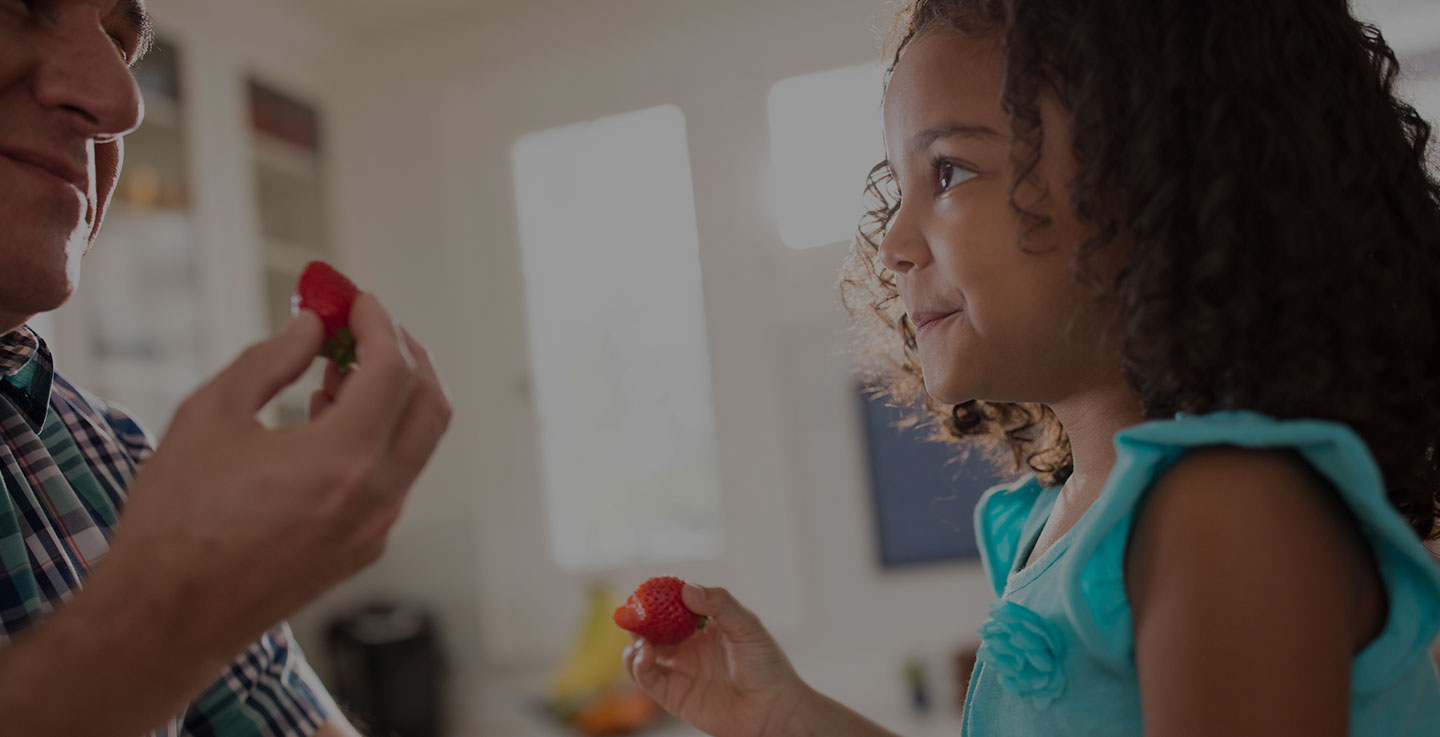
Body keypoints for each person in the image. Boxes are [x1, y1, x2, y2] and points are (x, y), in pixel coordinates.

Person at [624, 1, 1440, 735]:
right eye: (898, 185)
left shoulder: (1230, 515)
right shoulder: (1054, 523)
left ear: (1155, 175)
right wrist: (786, 718)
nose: (892, 245)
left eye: (948, 170)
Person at [0, 1, 452, 735]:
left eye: (118, 43)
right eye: (23, 5)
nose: (122, 101)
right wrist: (180, 607)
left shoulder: (117, 457)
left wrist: (209, 592)